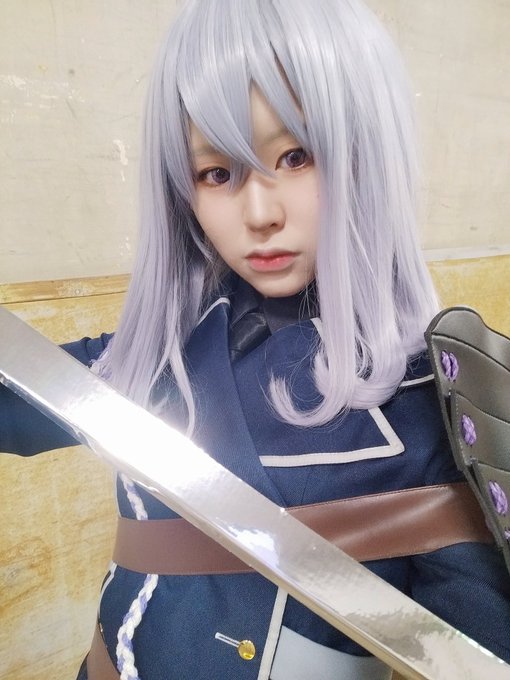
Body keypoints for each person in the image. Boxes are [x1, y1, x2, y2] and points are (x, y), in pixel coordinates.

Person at [1, 0, 509, 678]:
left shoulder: (431, 403)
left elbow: (476, 657)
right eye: (217, 173)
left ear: (367, 157)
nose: (260, 213)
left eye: (296, 157)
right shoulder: (160, 354)